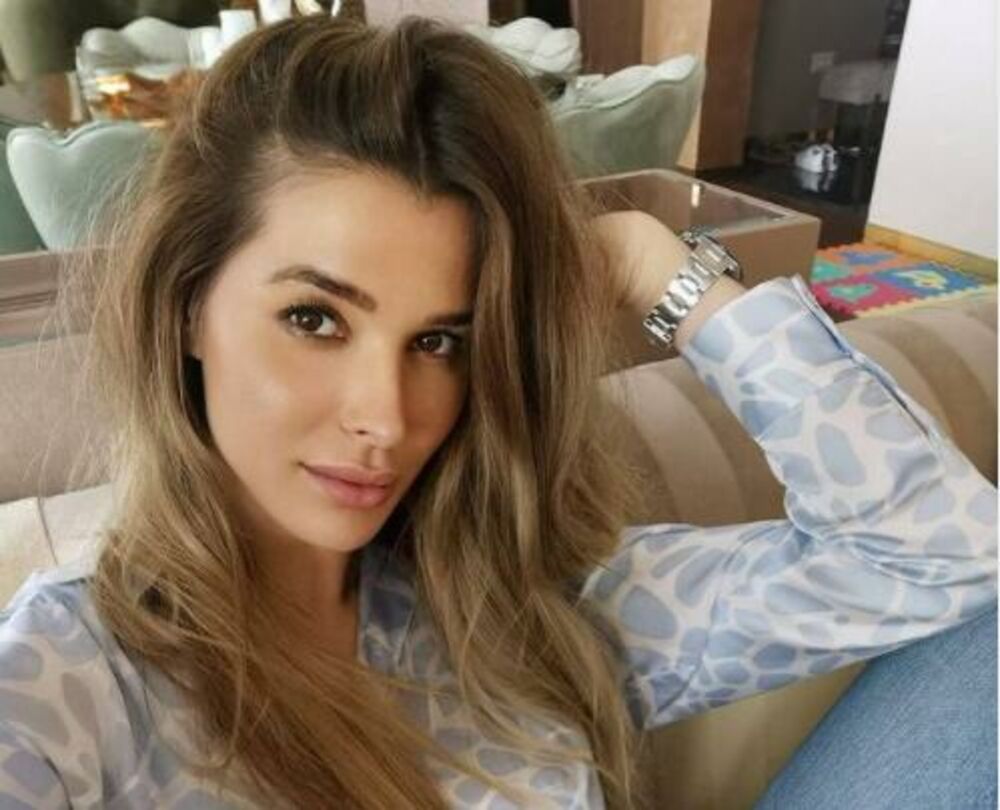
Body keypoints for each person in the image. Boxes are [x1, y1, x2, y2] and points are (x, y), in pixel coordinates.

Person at [0, 14, 995, 810]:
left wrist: (654, 264)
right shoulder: (70, 680)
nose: (387, 418)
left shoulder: (528, 607)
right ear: (186, 306)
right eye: (314, 318)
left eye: (441, 341)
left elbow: (943, 554)